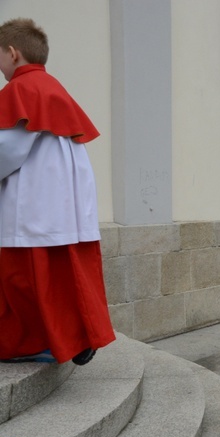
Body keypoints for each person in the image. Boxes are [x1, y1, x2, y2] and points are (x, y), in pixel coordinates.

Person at [0, 18, 115, 365]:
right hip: (65, 202)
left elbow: (8, 150)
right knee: (64, 277)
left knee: (22, 279)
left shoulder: (21, 90)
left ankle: (34, 341)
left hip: (34, 203)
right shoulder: (53, 88)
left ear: (13, 53)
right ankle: (76, 338)